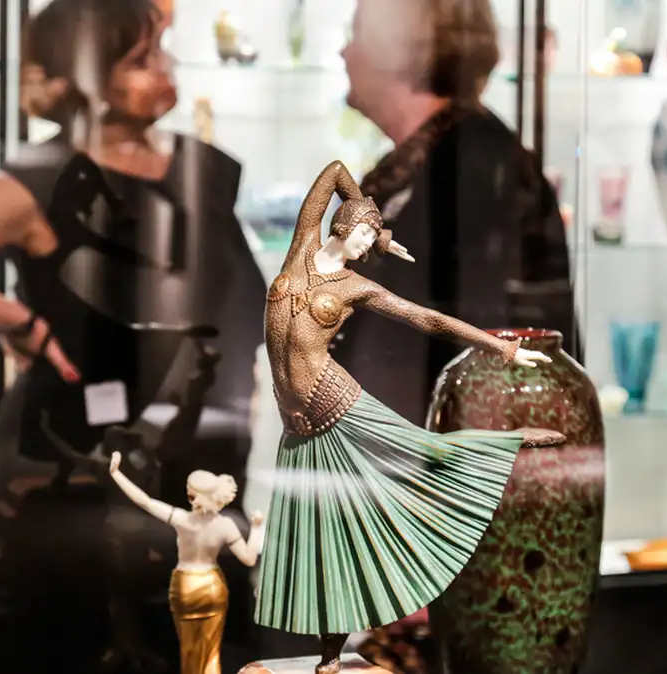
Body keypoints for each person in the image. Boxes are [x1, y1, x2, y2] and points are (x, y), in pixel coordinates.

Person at [0, 0, 267, 670]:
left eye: (160, 50)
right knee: (71, 642)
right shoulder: (44, 179)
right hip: (74, 468)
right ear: (87, 75)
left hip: (200, 462)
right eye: (141, 58)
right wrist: (17, 319)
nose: (166, 66)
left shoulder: (204, 170)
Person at [254, 160, 563, 674]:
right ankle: (330, 656)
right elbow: (334, 173)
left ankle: (509, 441)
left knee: (426, 452)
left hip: (337, 404)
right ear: (343, 226)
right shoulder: (301, 247)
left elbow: (427, 318)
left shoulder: (356, 287)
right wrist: (374, 226)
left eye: (369, 239)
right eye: (361, 235)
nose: (364, 247)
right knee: (325, 529)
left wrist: (501, 349)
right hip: (298, 427)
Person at [334, 0, 580, 426]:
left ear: (396, 47)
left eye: (355, 34)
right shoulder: (444, 159)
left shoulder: (470, 166)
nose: (344, 53)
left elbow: (454, 351)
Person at [109, 451, 265, 674]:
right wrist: (257, 528)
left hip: (185, 584)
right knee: (211, 652)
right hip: (211, 585)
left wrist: (116, 473)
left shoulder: (181, 519)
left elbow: (145, 501)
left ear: (193, 496)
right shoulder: (226, 525)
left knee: (189, 648)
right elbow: (249, 559)